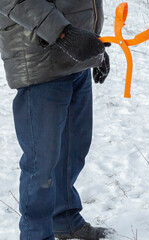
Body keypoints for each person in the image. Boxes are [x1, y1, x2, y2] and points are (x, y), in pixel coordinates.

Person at [0, 1, 113, 239]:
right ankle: (36, 234)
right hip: (40, 60)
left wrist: (95, 48)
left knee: (73, 149)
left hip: (75, 56)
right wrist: (63, 33)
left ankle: (64, 219)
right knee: (42, 162)